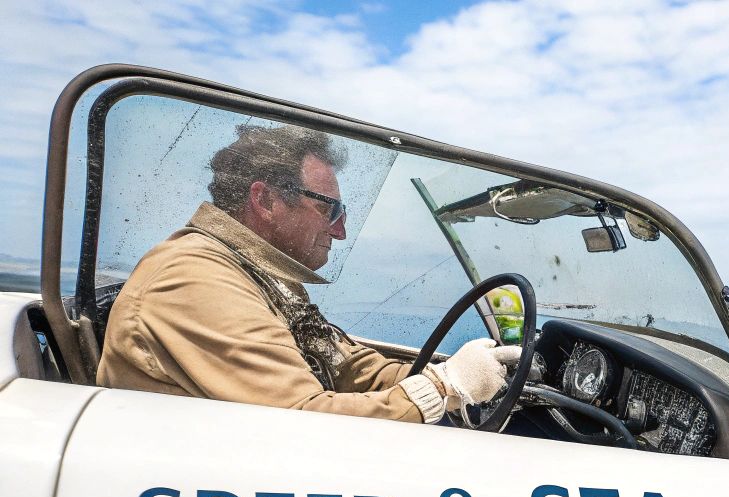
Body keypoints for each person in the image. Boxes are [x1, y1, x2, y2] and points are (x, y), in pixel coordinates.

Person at [97, 124, 513, 423]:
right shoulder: (194, 275)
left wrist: (465, 374)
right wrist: (443, 389)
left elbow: (346, 366)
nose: (340, 230)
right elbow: (302, 421)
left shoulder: (258, 272)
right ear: (266, 200)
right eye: (328, 209)